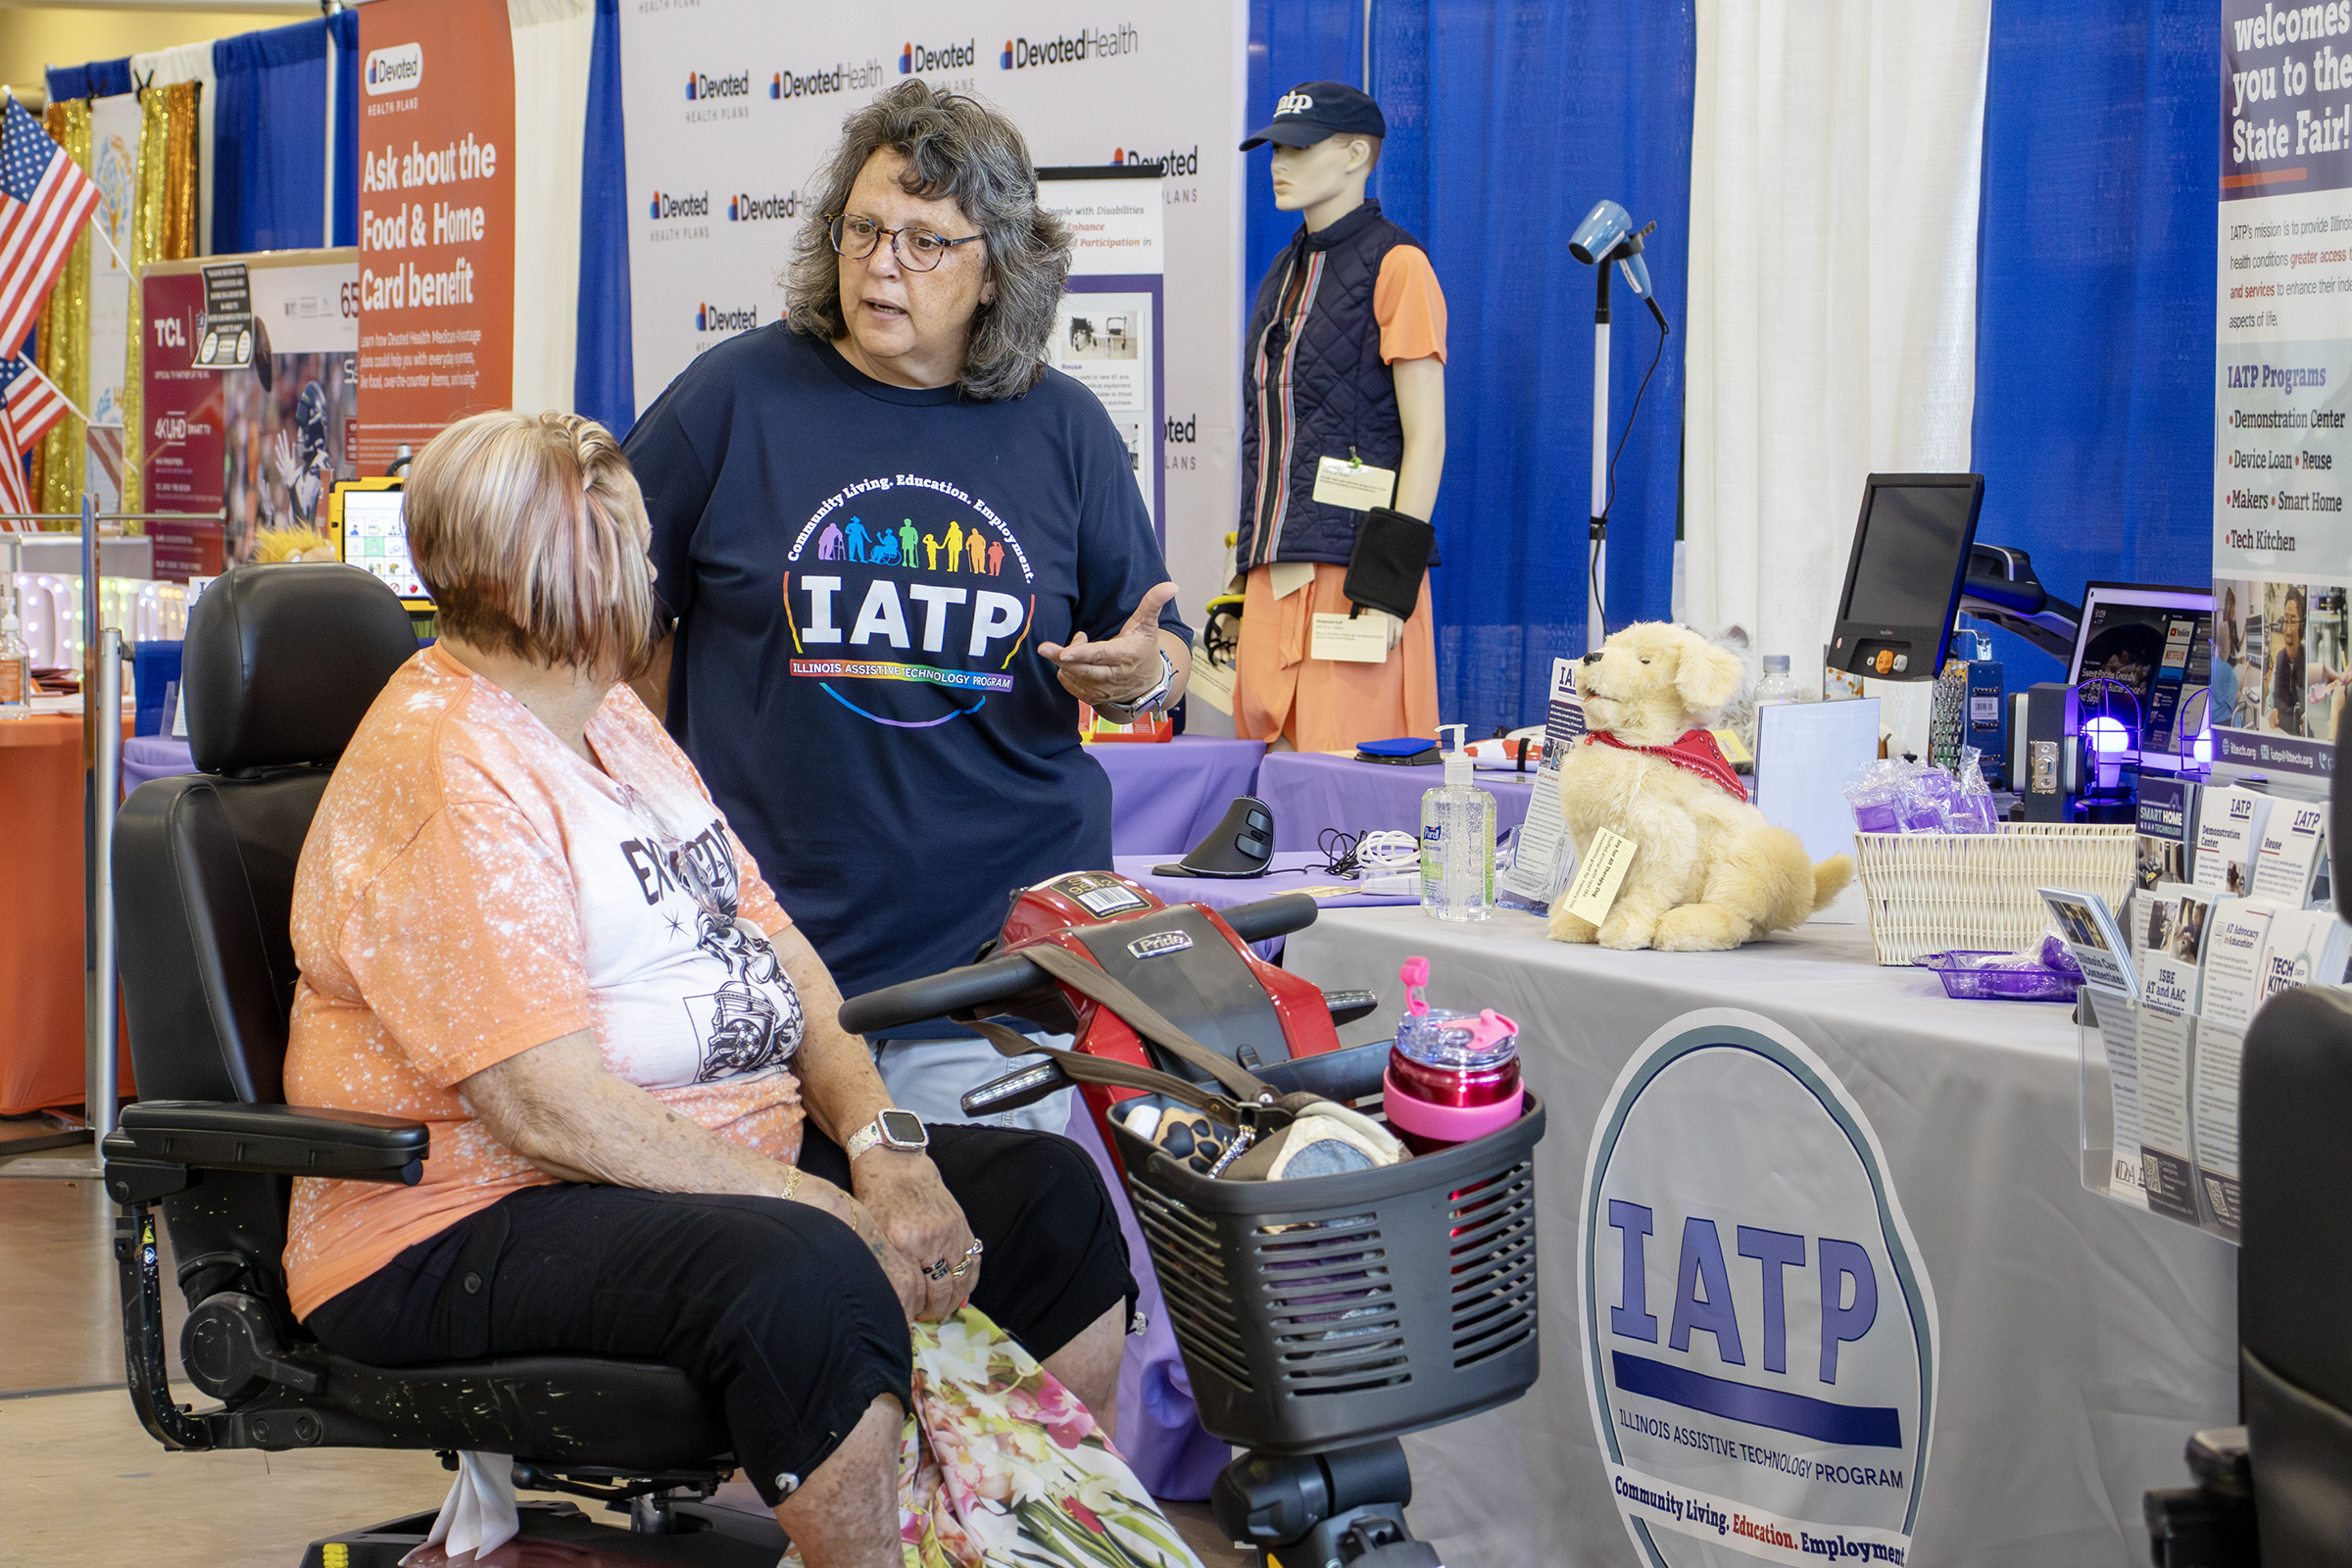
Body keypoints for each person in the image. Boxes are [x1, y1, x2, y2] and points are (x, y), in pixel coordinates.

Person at [282, 411, 1136, 1568]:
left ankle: (1019, 1542)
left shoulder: (614, 718)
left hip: (690, 1159)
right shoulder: (448, 765)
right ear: (559, 578)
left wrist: (884, 1149)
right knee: (809, 1272)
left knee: (1045, 1201)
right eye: (625, 547)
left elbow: (779, 948)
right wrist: (828, 1209)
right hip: (454, 1220)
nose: (649, 568)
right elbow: (548, 1107)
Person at [624, 82, 1189, 1122]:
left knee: (973, 1271)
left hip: (983, 983)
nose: (883, 263)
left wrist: (1143, 673)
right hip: (759, 971)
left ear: (995, 272)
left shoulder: (1062, 428)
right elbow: (604, 609)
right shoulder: (733, 397)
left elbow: (1161, 651)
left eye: (926, 242)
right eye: (866, 229)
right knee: (779, 1277)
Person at [1231, 80, 1446, 753]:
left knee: (1347, 788)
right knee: (1263, 787)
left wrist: (1386, 588)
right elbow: (1269, 434)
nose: (1278, 162)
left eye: (1297, 146)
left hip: (1355, 575)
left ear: (1356, 153)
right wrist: (1243, 573)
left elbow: (1428, 436)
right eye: (1274, 147)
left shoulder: (1400, 265)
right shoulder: (1282, 271)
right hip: (1275, 574)